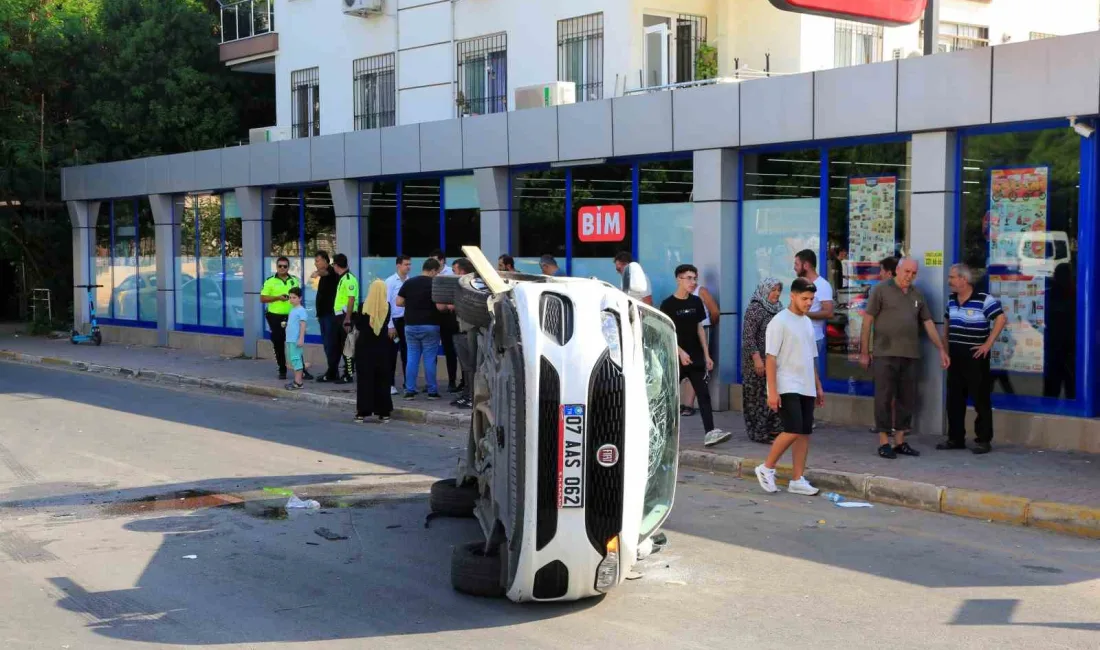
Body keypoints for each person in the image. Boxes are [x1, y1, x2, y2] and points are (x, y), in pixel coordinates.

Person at [859, 258, 950, 459]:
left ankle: (900, 441)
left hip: (910, 354)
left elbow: (928, 323)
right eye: (906, 271)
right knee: (883, 398)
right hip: (885, 353)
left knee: (906, 399)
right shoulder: (881, 290)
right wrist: (864, 351)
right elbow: (867, 322)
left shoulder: (917, 295)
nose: (909, 276)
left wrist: (941, 349)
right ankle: (884, 441)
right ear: (898, 270)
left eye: (913, 273)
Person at [754, 277, 825, 496]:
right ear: (792, 296)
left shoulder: (806, 322)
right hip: (787, 384)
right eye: (804, 298)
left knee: (804, 432)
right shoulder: (779, 321)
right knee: (792, 428)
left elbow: (810, 356)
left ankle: (797, 479)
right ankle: (766, 468)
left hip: (806, 385)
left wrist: (818, 386)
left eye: (812, 299)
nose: (808, 303)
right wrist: (772, 391)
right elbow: (771, 358)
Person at [939, 263, 1006, 454]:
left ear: (964, 279)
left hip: (975, 357)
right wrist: (945, 349)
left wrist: (987, 344)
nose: (949, 281)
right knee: (954, 399)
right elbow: (947, 325)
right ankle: (955, 438)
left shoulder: (984, 299)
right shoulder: (951, 300)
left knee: (980, 399)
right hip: (955, 356)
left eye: (952, 277)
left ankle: (983, 440)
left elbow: (1001, 319)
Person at [660, 264, 728, 447]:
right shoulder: (668, 304)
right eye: (689, 278)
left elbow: (699, 329)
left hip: (696, 356)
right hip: (676, 357)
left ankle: (710, 432)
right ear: (678, 279)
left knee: (704, 395)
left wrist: (707, 355)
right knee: (668, 397)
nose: (693, 282)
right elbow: (666, 334)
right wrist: (680, 352)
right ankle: (664, 435)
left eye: (695, 278)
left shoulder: (696, 302)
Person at [741, 277, 784, 444]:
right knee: (757, 398)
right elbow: (748, 337)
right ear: (765, 290)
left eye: (778, 290)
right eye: (773, 290)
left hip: (773, 361)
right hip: (756, 362)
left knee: (773, 395)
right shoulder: (755, 308)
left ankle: (775, 430)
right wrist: (757, 360)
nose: (776, 294)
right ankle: (759, 433)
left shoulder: (779, 309)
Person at [396, 258, 443, 400]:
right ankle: (432, 391)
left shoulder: (409, 282)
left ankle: (409, 390)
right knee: (429, 359)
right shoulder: (435, 283)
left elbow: (398, 302)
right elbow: (440, 307)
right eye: (437, 272)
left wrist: (411, 305)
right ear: (433, 270)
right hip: (430, 325)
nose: (437, 275)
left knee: (412, 358)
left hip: (410, 325)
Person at [354, 279, 395, 423]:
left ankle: (362, 412)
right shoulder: (387, 307)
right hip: (382, 348)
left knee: (365, 380)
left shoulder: (362, 307)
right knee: (382, 380)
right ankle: (384, 412)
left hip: (364, 348)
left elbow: (359, 326)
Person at [441, 258, 477, 408]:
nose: (453, 273)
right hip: (461, 328)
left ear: (462, 271)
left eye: (455, 270)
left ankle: (471, 396)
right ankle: (467, 393)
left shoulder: (470, 285)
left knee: (470, 365)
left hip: (469, 330)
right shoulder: (464, 285)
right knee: (466, 365)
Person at [681, 280, 720, 417]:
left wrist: (709, 325)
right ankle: (686, 403)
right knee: (688, 364)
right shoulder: (682, 294)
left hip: (702, 329)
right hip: (686, 332)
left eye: (692, 277)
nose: (690, 281)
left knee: (699, 365)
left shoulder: (701, 291)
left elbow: (714, 312)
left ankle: (689, 405)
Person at [318, 254, 358, 384]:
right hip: (339, 316)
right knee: (342, 345)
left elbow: (351, 299)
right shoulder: (342, 278)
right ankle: (344, 373)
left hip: (346, 317)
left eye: (333, 265)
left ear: (336, 265)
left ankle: (348, 374)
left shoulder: (348, 278)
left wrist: (347, 319)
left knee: (348, 346)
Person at [260, 256, 300, 380]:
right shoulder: (270, 281)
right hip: (275, 317)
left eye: (285, 266)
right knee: (278, 342)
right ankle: (282, 369)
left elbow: (299, 298)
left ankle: (300, 369)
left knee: (295, 343)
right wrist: (278, 298)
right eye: (280, 266)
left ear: (288, 267)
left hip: (292, 316)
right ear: (276, 267)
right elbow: (262, 298)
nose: (282, 268)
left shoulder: (294, 280)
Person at [794, 249, 834, 367]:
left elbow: (829, 312)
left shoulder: (822, 285)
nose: (794, 267)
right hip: (798, 337)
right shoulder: (800, 283)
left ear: (806, 265)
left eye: (796, 264)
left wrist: (804, 314)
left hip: (812, 338)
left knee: (810, 377)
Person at [431, 249, 459, 392]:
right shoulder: (431, 274)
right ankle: (431, 383)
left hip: (448, 316)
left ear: (442, 261)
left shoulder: (451, 274)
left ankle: (452, 380)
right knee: (432, 350)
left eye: (435, 260)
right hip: (435, 316)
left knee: (450, 350)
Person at [385, 255, 412, 395]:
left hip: (406, 321)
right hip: (394, 321)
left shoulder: (409, 281)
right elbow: (387, 304)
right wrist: (390, 325)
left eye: (409, 264)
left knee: (407, 354)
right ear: (398, 265)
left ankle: (408, 384)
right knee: (391, 354)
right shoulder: (390, 282)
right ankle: (390, 384)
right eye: (406, 264)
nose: (408, 267)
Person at [311, 252, 338, 382]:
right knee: (327, 344)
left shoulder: (331, 272)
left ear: (326, 261)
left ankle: (332, 371)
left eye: (318, 261)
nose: (316, 263)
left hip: (330, 315)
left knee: (330, 343)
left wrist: (317, 273)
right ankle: (332, 370)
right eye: (315, 261)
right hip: (322, 315)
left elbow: (326, 272)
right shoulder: (324, 275)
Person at [284, 287, 308, 391]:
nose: (291, 299)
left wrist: (301, 338)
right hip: (290, 339)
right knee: (293, 361)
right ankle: (296, 381)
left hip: (295, 340)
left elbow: (303, 325)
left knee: (296, 360)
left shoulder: (301, 310)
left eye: (294, 297)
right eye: (290, 297)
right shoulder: (293, 310)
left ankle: (299, 382)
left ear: (300, 298)